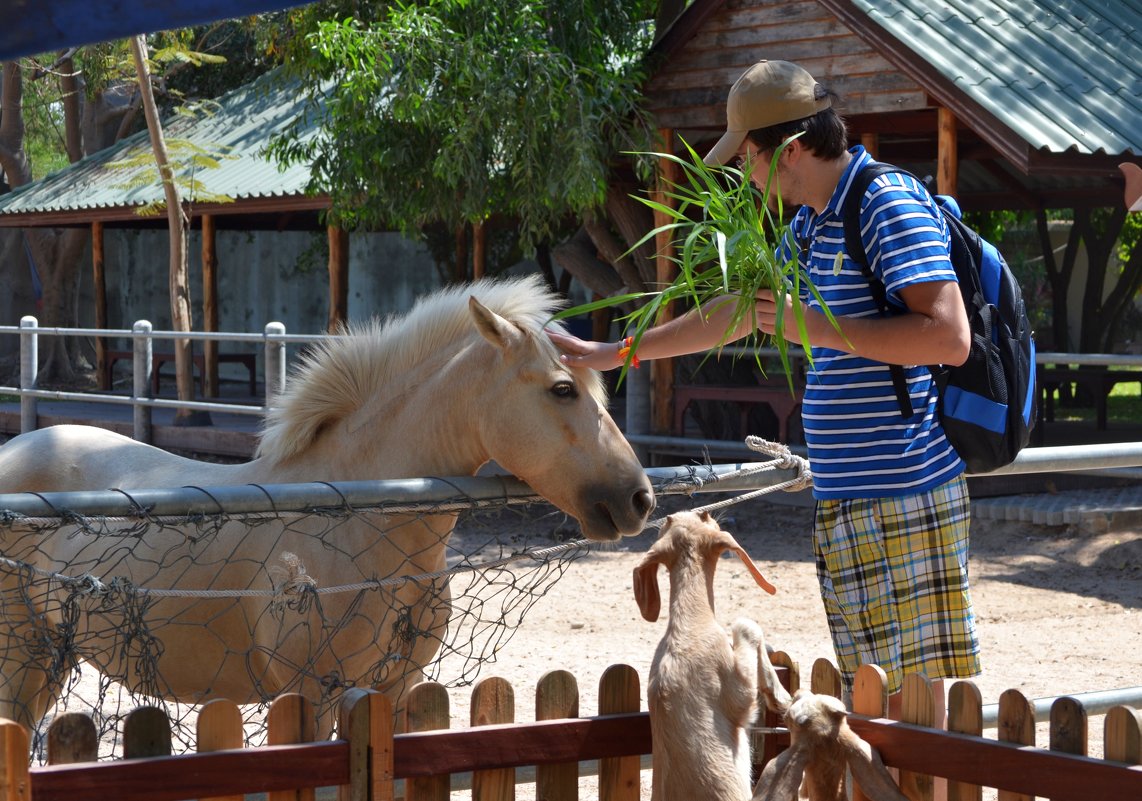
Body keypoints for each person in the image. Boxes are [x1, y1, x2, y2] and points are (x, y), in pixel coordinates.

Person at [548, 60, 979, 724]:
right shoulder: (813, 219)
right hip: (850, 497)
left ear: (791, 150)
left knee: (917, 713)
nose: (746, 175)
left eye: (748, 156)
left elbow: (949, 337)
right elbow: (742, 310)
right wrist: (613, 351)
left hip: (903, 492)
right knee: (875, 702)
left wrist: (819, 328)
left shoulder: (884, 201)